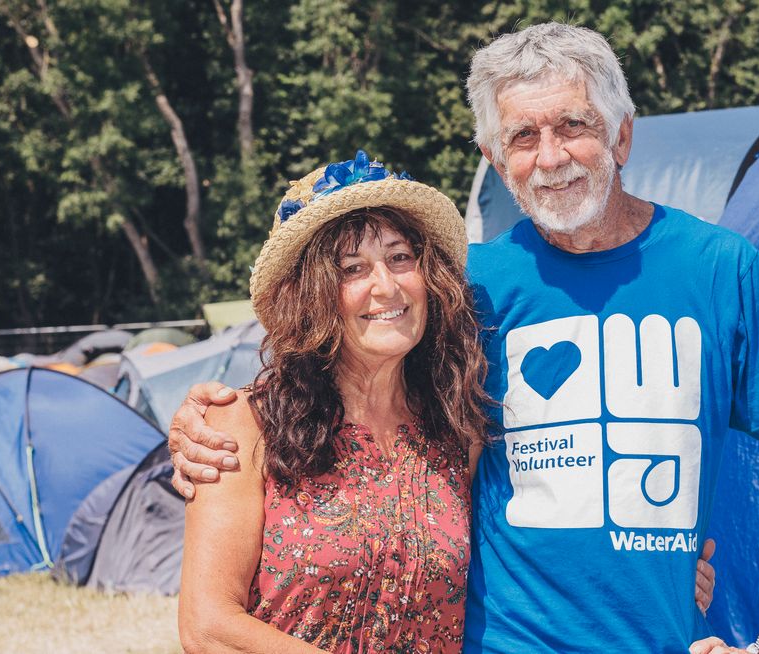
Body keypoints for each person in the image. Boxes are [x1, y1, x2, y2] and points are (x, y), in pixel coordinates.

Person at [170, 22, 759, 654]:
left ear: (623, 137)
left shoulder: (720, 268)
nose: (550, 158)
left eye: (573, 126)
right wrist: (197, 423)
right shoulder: (469, 289)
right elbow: (336, 379)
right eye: (522, 137)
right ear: (494, 157)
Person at [177, 151, 716, 653]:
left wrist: (660, 574)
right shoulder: (242, 424)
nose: (386, 286)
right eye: (352, 269)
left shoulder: (459, 429)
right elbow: (207, 626)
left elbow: (534, 536)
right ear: (310, 295)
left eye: (400, 258)